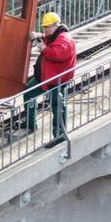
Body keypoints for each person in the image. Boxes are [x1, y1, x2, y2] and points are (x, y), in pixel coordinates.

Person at [21, 11, 77, 148]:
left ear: (56, 25)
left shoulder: (64, 39)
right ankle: (30, 123)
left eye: (47, 28)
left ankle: (59, 134)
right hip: (46, 78)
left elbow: (57, 54)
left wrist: (44, 49)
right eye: (44, 28)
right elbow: (49, 40)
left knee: (58, 105)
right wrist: (39, 37)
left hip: (56, 80)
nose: (45, 31)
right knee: (29, 92)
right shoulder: (56, 36)